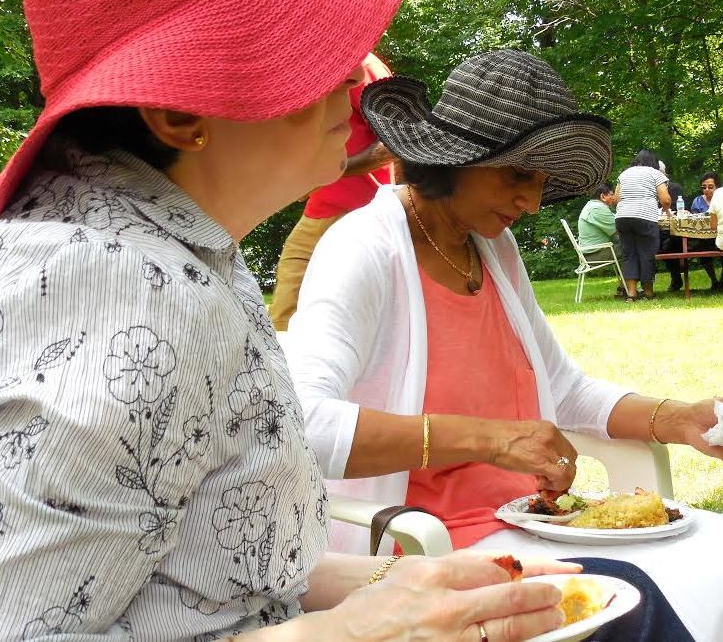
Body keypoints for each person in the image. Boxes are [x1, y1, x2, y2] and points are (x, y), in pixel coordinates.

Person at [0, 0, 581, 642]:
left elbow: (210, 572)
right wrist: (352, 631)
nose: (355, 81)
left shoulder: (183, 253)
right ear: (179, 116)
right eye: (306, 47)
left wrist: (403, 580)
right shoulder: (125, 290)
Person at [285, 50, 723, 639]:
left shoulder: (492, 248)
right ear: (454, 161)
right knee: (635, 602)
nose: (532, 203)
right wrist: (489, 438)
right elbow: (300, 424)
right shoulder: (363, 247)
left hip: (531, 524)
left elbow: (564, 388)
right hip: (426, 547)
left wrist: (678, 419)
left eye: (541, 183)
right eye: (518, 175)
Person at [270, 53, 393, 331]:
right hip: (319, 212)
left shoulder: (363, 66)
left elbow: (397, 140)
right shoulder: (315, 65)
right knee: (284, 315)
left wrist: (332, 171)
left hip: (364, 211)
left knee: (353, 317)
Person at [614, 149, 671, 301]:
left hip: (622, 217)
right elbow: (665, 200)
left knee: (629, 255)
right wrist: (667, 211)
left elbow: (616, 198)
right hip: (645, 217)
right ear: (654, 162)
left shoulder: (624, 174)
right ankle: (648, 293)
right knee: (646, 254)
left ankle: (631, 294)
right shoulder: (655, 173)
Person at [689, 171, 722, 289]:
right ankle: (714, 281)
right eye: (704, 187)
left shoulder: (720, 199)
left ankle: (721, 281)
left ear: (717, 187)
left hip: (719, 236)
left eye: (710, 187)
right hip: (704, 237)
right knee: (701, 248)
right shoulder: (697, 201)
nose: (707, 190)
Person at [656, 161, 684, 291]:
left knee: (670, 242)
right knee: (662, 243)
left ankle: (676, 277)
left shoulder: (675, 188)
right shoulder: (648, 190)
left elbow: (681, 209)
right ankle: (676, 277)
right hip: (656, 229)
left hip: (675, 229)